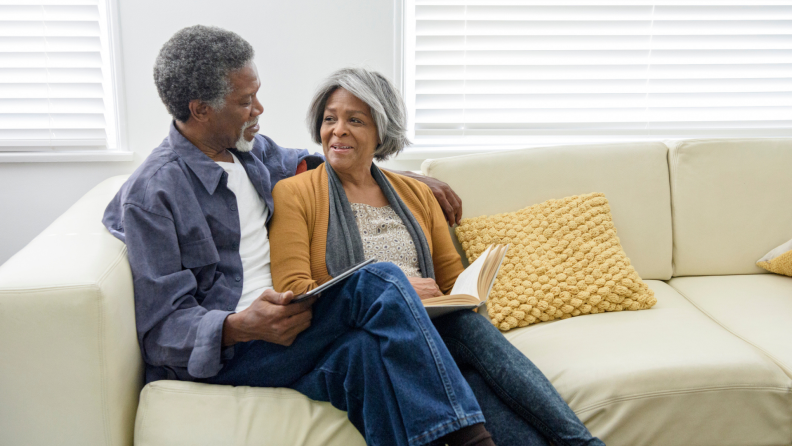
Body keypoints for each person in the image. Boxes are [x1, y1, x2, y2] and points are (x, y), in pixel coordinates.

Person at [103, 25, 499, 446]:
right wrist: (239, 326)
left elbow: (328, 160)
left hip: (295, 322)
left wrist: (404, 179)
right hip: (238, 350)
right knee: (379, 278)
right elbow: (161, 328)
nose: (259, 108)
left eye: (257, 93)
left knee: (364, 356)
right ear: (201, 110)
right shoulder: (154, 195)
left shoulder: (251, 151)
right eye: (245, 101)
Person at [268, 67, 605, 446]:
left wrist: (459, 298)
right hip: (364, 330)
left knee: (471, 343)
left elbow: (451, 279)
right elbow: (295, 291)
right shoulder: (294, 193)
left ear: (382, 131)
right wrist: (398, 290)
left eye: (355, 120)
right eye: (330, 119)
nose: (338, 130)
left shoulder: (417, 194)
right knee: (468, 332)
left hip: (435, 326)